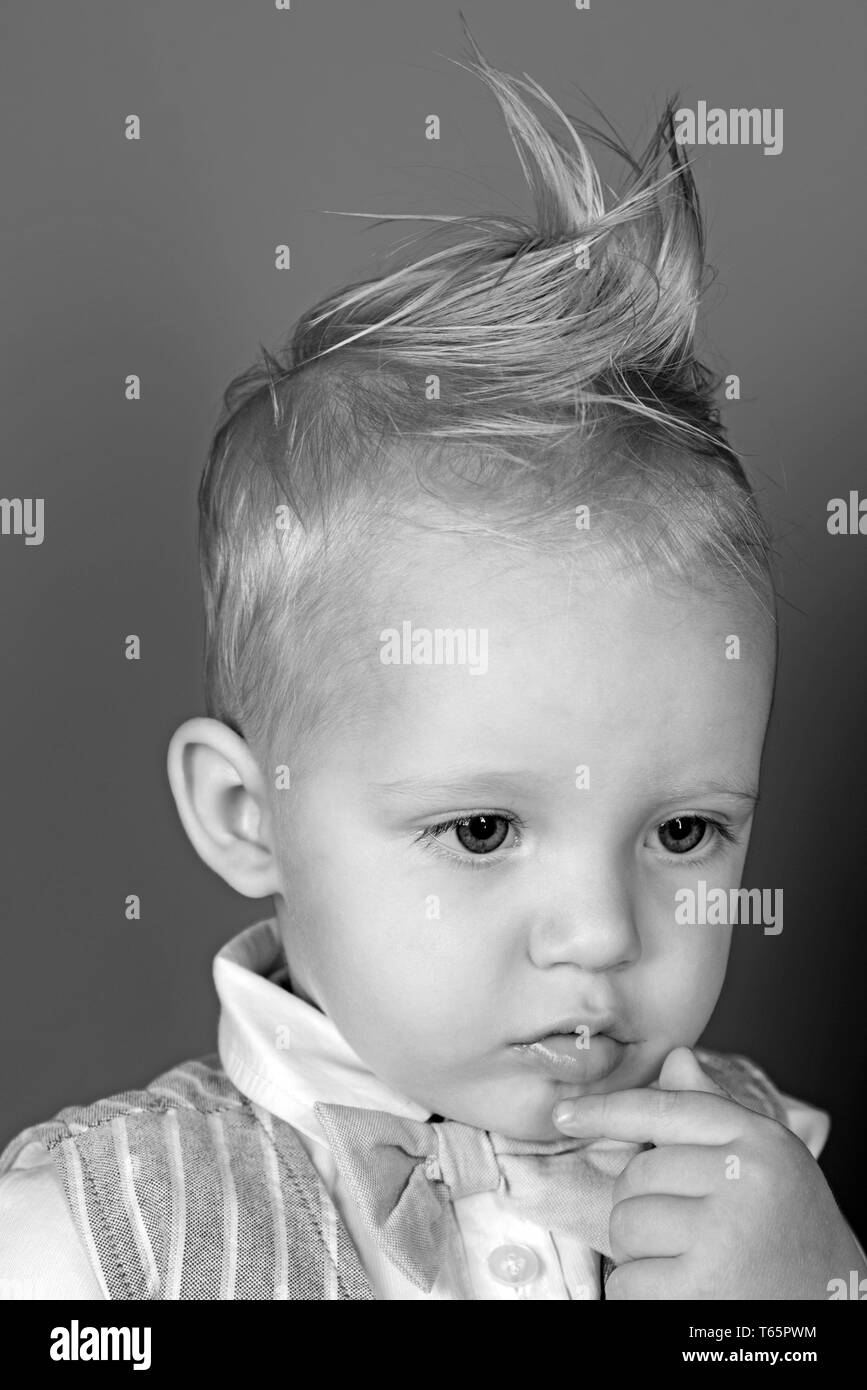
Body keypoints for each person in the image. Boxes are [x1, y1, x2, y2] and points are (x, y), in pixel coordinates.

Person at [0, 32, 861, 1300]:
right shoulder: (92, 1237)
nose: (600, 934)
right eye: (477, 829)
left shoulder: (768, 1183)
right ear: (251, 816)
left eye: (683, 832)